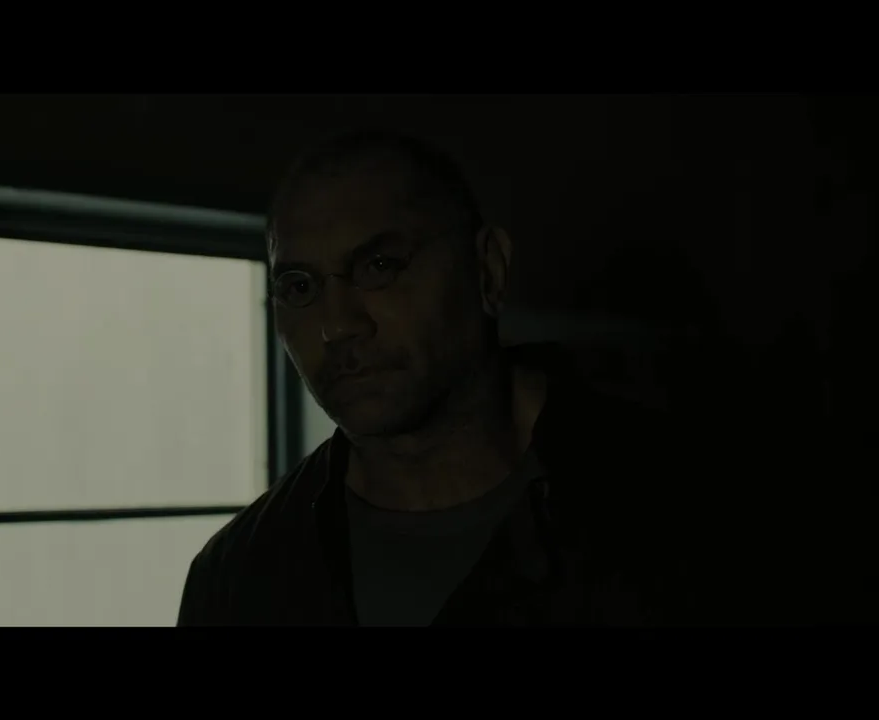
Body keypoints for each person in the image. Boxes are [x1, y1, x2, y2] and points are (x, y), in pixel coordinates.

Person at [176, 128, 754, 627]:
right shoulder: (239, 576)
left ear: (487, 270)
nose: (337, 326)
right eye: (299, 287)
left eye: (380, 266)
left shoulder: (687, 506)